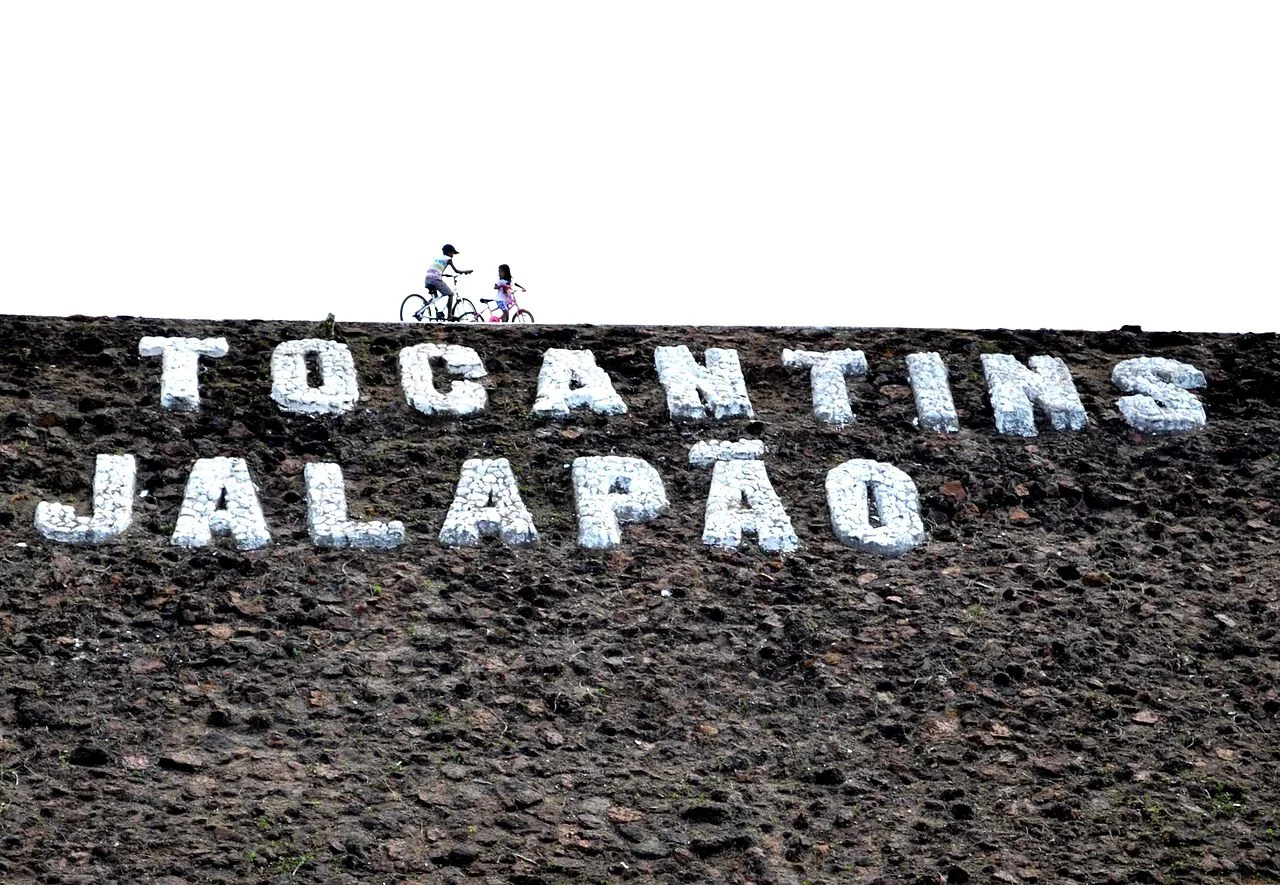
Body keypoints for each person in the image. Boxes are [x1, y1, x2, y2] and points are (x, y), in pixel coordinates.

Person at [423, 244, 472, 319]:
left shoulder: (438, 259)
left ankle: (423, 309)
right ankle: (449, 315)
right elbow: (456, 271)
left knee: (435, 297)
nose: (453, 255)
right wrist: (466, 271)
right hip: (435, 279)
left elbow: (435, 270)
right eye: (452, 253)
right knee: (451, 294)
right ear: (449, 252)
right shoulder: (448, 259)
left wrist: (444, 275)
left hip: (427, 279)